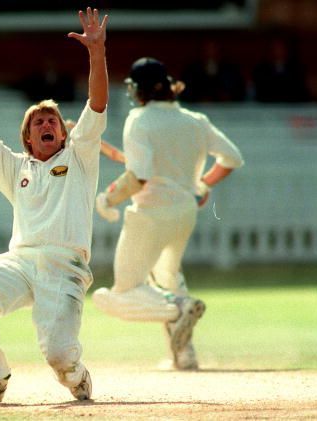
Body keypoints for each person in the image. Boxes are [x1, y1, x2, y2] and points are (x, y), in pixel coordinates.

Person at [0, 7, 108, 404]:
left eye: (53, 122)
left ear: (64, 134)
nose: (47, 126)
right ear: (27, 138)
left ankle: (76, 374)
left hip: (65, 267)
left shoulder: (79, 158)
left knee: (59, 355)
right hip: (20, 263)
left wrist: (97, 54)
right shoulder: (15, 167)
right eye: (38, 123)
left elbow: (96, 105)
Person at [94, 57, 244, 370]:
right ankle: (185, 353)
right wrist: (200, 186)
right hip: (184, 213)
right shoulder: (195, 120)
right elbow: (231, 158)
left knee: (119, 295)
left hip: (150, 214)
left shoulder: (139, 119)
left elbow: (140, 176)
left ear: (141, 90)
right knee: (167, 275)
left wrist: (108, 199)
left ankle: (178, 308)